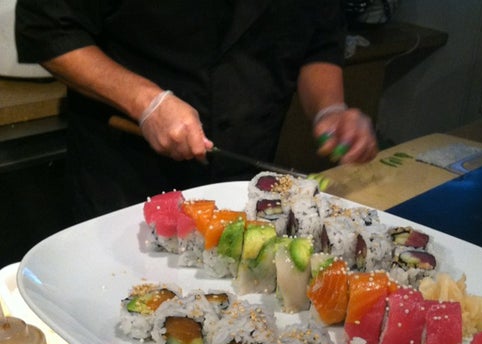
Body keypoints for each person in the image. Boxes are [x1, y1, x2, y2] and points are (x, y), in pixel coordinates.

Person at [15, 1, 378, 220]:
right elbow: (47, 28)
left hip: (244, 174)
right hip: (126, 176)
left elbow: (318, 38)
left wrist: (330, 108)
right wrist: (146, 102)